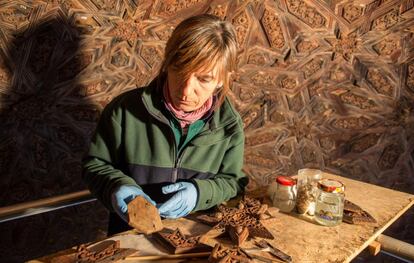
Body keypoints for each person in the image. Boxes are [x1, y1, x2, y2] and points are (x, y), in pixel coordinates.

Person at [82, 14, 248, 235]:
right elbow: (95, 165)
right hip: (131, 238)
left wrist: (200, 193)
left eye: (204, 79)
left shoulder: (229, 126)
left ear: (222, 79)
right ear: (167, 62)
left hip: (194, 242)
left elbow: (232, 182)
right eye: (180, 70)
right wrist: (118, 187)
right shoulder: (124, 110)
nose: (186, 90)